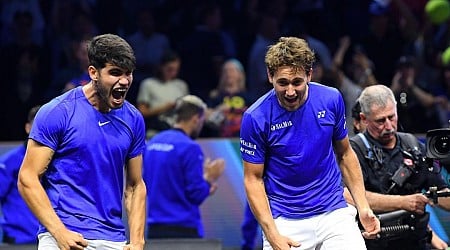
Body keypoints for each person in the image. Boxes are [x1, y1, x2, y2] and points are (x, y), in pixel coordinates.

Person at [239, 36, 380, 250]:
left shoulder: (331, 98)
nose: (290, 91)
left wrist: (363, 207)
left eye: (297, 82)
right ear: (270, 76)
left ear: (309, 74)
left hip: (334, 213)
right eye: (282, 83)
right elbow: (253, 180)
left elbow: (344, 154)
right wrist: (272, 234)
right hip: (285, 220)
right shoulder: (255, 117)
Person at [17, 33, 147, 250]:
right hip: (64, 237)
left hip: (113, 239)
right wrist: (59, 233)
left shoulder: (133, 120)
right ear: (93, 73)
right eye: (115, 73)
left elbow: (135, 185)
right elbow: (27, 178)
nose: (124, 81)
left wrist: (137, 241)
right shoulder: (58, 112)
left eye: (128, 74)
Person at [344, 84, 450, 250]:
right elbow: (349, 196)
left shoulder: (412, 144)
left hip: (417, 240)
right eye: (380, 120)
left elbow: (440, 192)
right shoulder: (353, 150)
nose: (388, 126)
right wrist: (403, 202)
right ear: (363, 119)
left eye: (392, 117)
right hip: (376, 242)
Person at [143, 95, 225, 239]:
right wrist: (208, 180)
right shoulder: (190, 147)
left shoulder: (153, 143)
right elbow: (196, 193)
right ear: (196, 119)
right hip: (183, 228)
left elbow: (145, 182)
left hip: (154, 228)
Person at [0, 105, 40, 244]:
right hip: (18, 239)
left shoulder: (60, 161)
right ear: (27, 128)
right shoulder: (8, 163)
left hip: (53, 239)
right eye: (37, 126)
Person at [136, 49, 189, 138]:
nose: (173, 73)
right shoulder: (148, 84)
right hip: (155, 130)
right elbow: (142, 112)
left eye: (176, 70)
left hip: (177, 130)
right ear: (161, 66)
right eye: (169, 69)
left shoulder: (181, 85)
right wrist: (165, 107)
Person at [205, 58, 252, 137]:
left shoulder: (249, 97)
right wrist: (219, 109)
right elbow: (205, 116)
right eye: (226, 71)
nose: (228, 74)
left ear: (240, 74)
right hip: (219, 140)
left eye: (232, 70)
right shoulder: (216, 97)